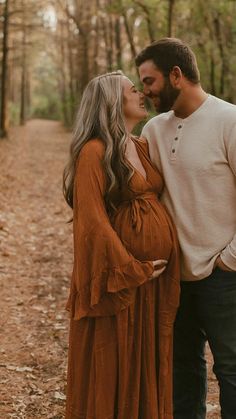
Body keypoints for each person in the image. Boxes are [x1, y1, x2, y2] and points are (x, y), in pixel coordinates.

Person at [63, 70, 180, 419]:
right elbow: (92, 222)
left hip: (152, 282)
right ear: (113, 102)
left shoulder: (141, 145)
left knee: (145, 359)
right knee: (116, 360)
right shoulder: (93, 152)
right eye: (133, 90)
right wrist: (132, 268)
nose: (141, 94)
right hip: (121, 279)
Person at [135, 37, 236, 419]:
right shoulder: (154, 130)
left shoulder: (230, 120)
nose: (145, 91)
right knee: (181, 369)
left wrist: (228, 261)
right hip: (172, 276)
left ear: (176, 75)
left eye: (149, 81)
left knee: (231, 370)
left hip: (223, 277)